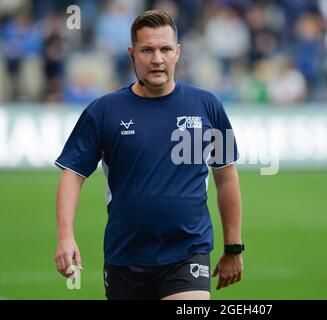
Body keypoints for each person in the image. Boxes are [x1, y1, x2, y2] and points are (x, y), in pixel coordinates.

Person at [54, 10, 244, 300]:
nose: (157, 59)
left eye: (166, 49)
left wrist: (233, 247)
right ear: (132, 53)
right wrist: (65, 237)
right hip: (124, 257)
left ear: (178, 53)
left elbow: (226, 177)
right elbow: (73, 174)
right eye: (147, 50)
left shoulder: (208, 106)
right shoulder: (103, 111)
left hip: (188, 254)